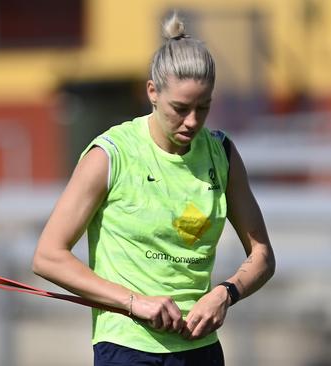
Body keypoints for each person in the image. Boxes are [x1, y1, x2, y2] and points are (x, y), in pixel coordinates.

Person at [32, 13, 275, 366]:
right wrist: (134, 301)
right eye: (180, 108)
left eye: (202, 108)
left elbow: (262, 255)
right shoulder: (111, 154)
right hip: (127, 348)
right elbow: (48, 256)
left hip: (200, 350)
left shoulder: (221, 153)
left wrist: (226, 293)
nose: (192, 121)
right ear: (152, 93)